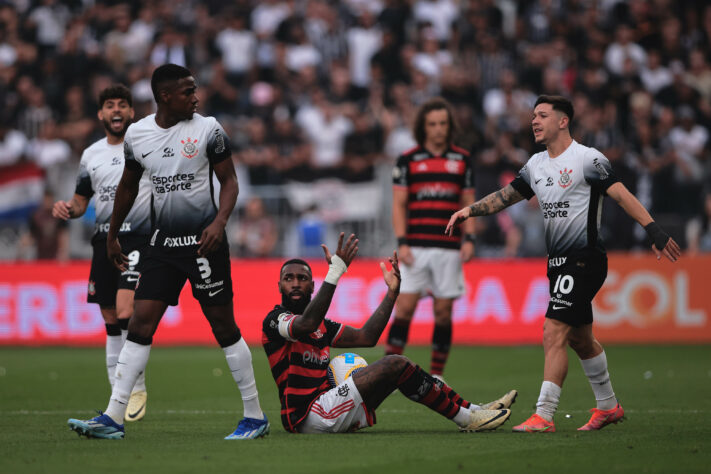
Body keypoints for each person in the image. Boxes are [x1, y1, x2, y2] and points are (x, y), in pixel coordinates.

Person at [446, 95, 682, 432]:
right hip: (557, 263)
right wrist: (470, 210)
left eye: (542, 115)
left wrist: (653, 230)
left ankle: (544, 415)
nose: (534, 121)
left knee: (553, 330)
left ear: (563, 121)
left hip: (585, 258)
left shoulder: (587, 159)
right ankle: (609, 407)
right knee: (580, 339)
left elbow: (620, 194)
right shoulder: (535, 165)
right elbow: (505, 196)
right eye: (532, 117)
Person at [67, 64, 268, 440]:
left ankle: (255, 415)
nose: (196, 96)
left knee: (223, 326)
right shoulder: (138, 134)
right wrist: (112, 236)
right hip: (160, 247)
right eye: (188, 91)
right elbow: (128, 187)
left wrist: (219, 223)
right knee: (140, 324)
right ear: (164, 97)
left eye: (195, 89)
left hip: (203, 245)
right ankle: (113, 417)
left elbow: (230, 182)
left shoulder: (208, 129)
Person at [262, 232, 517, 434]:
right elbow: (304, 324)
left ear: (311, 286)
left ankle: (473, 408)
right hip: (306, 416)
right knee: (394, 363)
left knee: (404, 368)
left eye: (302, 278)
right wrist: (336, 271)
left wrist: (392, 294)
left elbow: (366, 337)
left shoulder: (322, 326)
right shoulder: (275, 321)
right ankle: (467, 419)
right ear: (279, 285)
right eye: (289, 278)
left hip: (327, 405)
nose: (295, 283)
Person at [53, 84, 151, 422]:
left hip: (137, 237)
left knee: (126, 308)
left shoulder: (144, 145)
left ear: (131, 112)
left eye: (123, 104)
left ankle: (135, 384)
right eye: (110, 105)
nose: (117, 110)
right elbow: (81, 200)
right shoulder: (91, 154)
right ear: (101, 114)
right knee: (110, 318)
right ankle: (118, 394)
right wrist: (68, 208)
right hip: (102, 240)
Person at [385, 97, 476, 379]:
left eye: (443, 124)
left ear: (450, 127)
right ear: (423, 127)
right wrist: (402, 242)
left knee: (443, 312)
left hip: (448, 247)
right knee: (404, 308)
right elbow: (398, 204)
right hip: (416, 246)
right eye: (432, 124)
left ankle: (437, 374)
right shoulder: (408, 160)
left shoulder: (462, 160)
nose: (438, 129)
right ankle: (386, 371)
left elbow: (468, 202)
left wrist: (470, 238)